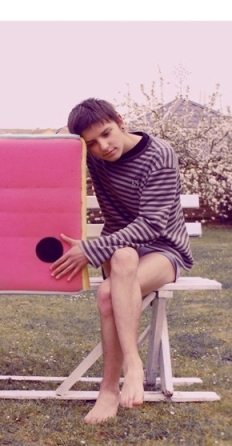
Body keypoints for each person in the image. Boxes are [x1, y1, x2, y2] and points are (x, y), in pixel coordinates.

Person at [50, 98, 193, 423]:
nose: (102, 147)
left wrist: (91, 249)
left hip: (163, 250)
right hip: (118, 253)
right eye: (91, 143)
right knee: (123, 256)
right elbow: (56, 145)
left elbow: (152, 225)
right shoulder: (93, 154)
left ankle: (116, 382)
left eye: (106, 133)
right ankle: (125, 373)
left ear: (120, 120)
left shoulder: (160, 155)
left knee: (107, 292)